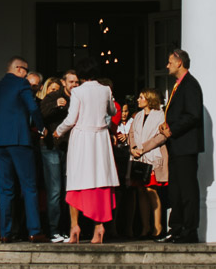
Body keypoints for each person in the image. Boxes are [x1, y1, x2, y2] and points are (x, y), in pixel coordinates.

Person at [54, 62, 119, 243]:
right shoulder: (105, 90)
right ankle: (99, 226)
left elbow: (71, 118)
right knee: (100, 179)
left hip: (82, 138)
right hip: (100, 138)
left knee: (77, 179)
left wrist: (58, 131)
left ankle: (74, 226)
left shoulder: (78, 91)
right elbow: (112, 111)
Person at [0, 56, 47, 243]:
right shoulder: (21, 84)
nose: (26, 75)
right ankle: (34, 230)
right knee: (29, 187)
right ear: (19, 69)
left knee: (5, 189)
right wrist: (41, 127)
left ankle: (5, 233)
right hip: (19, 140)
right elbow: (32, 108)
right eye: (26, 71)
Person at [158, 49, 202, 243]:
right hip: (176, 146)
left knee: (187, 189)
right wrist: (166, 125)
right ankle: (175, 228)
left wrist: (173, 129)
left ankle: (189, 230)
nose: (167, 65)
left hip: (186, 145)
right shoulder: (178, 85)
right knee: (175, 189)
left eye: (170, 62)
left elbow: (193, 115)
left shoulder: (190, 85)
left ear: (179, 63)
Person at [126, 89, 168, 239]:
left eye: (141, 97)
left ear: (149, 99)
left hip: (152, 155)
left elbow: (162, 136)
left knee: (151, 190)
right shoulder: (138, 116)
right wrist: (133, 148)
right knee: (141, 191)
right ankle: (145, 227)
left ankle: (158, 226)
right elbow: (131, 134)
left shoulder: (160, 115)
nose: (138, 99)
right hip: (138, 158)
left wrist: (144, 148)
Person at [38, 75, 72, 241]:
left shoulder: (74, 100)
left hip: (67, 148)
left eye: (77, 82)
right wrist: (55, 105)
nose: (74, 85)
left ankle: (64, 228)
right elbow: (40, 115)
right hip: (51, 147)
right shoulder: (51, 99)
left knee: (66, 190)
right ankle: (53, 229)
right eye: (71, 82)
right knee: (55, 190)